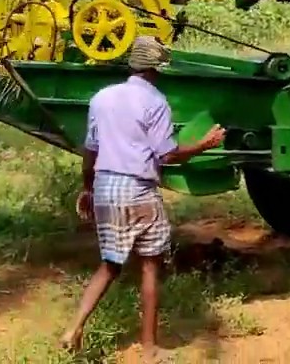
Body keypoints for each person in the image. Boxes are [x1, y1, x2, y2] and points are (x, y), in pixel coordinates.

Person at [61, 36, 226, 356]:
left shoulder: (102, 98)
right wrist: (204, 145)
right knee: (150, 267)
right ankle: (149, 349)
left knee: (110, 264)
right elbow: (168, 154)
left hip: (106, 187)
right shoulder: (156, 102)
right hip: (138, 189)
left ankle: (74, 327)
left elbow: (90, 151)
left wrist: (88, 188)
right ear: (156, 69)